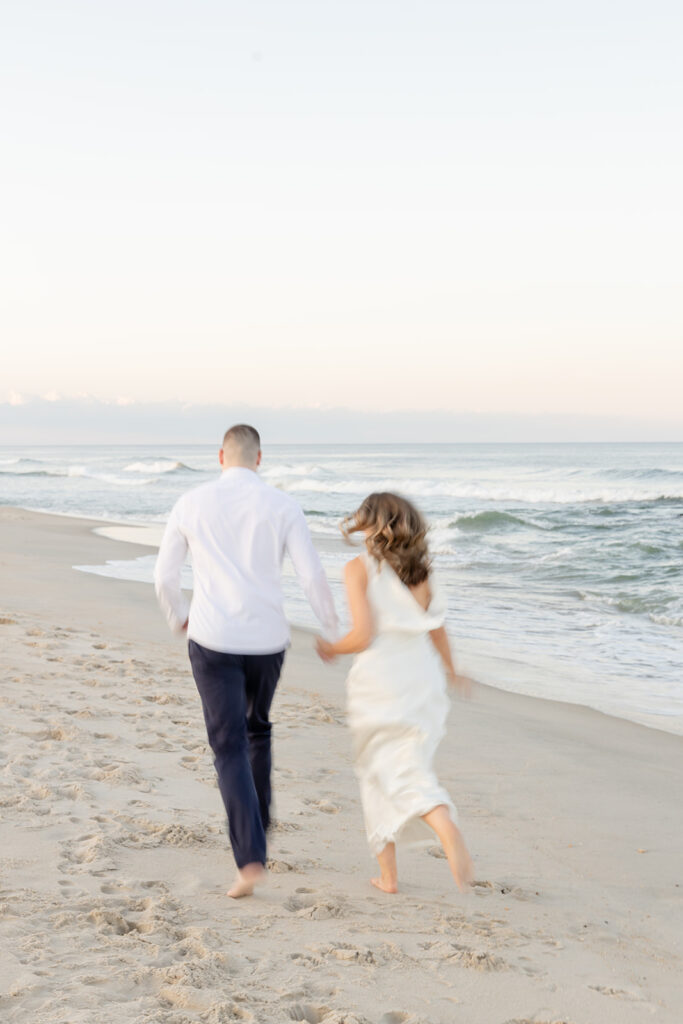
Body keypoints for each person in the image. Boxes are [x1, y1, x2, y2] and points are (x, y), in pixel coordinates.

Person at [154, 424, 339, 897]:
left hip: (213, 638)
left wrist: (178, 616)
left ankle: (250, 858)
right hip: (268, 641)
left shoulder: (191, 503)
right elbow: (311, 574)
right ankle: (260, 825)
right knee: (257, 728)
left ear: (221, 456)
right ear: (260, 458)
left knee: (228, 745)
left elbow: (165, 574)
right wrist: (331, 628)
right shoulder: (283, 505)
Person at [316, 492, 473, 894]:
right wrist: (453, 672)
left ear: (373, 525)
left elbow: (363, 635)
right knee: (408, 762)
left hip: (380, 679)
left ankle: (432, 832)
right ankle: (410, 852)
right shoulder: (424, 573)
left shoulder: (359, 568)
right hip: (422, 678)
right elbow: (437, 629)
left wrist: (332, 647)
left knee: (377, 771)